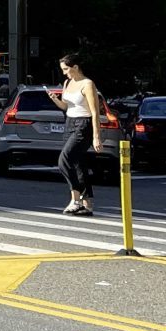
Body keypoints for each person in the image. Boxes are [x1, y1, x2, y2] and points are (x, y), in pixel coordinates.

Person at [46, 53, 103, 215]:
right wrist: (56, 100)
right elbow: (66, 107)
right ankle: (87, 204)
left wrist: (96, 136)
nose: (64, 73)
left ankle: (75, 198)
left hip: (83, 125)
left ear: (75, 67)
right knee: (78, 164)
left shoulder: (87, 84)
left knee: (64, 160)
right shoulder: (67, 82)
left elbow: (95, 112)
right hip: (69, 123)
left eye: (66, 69)